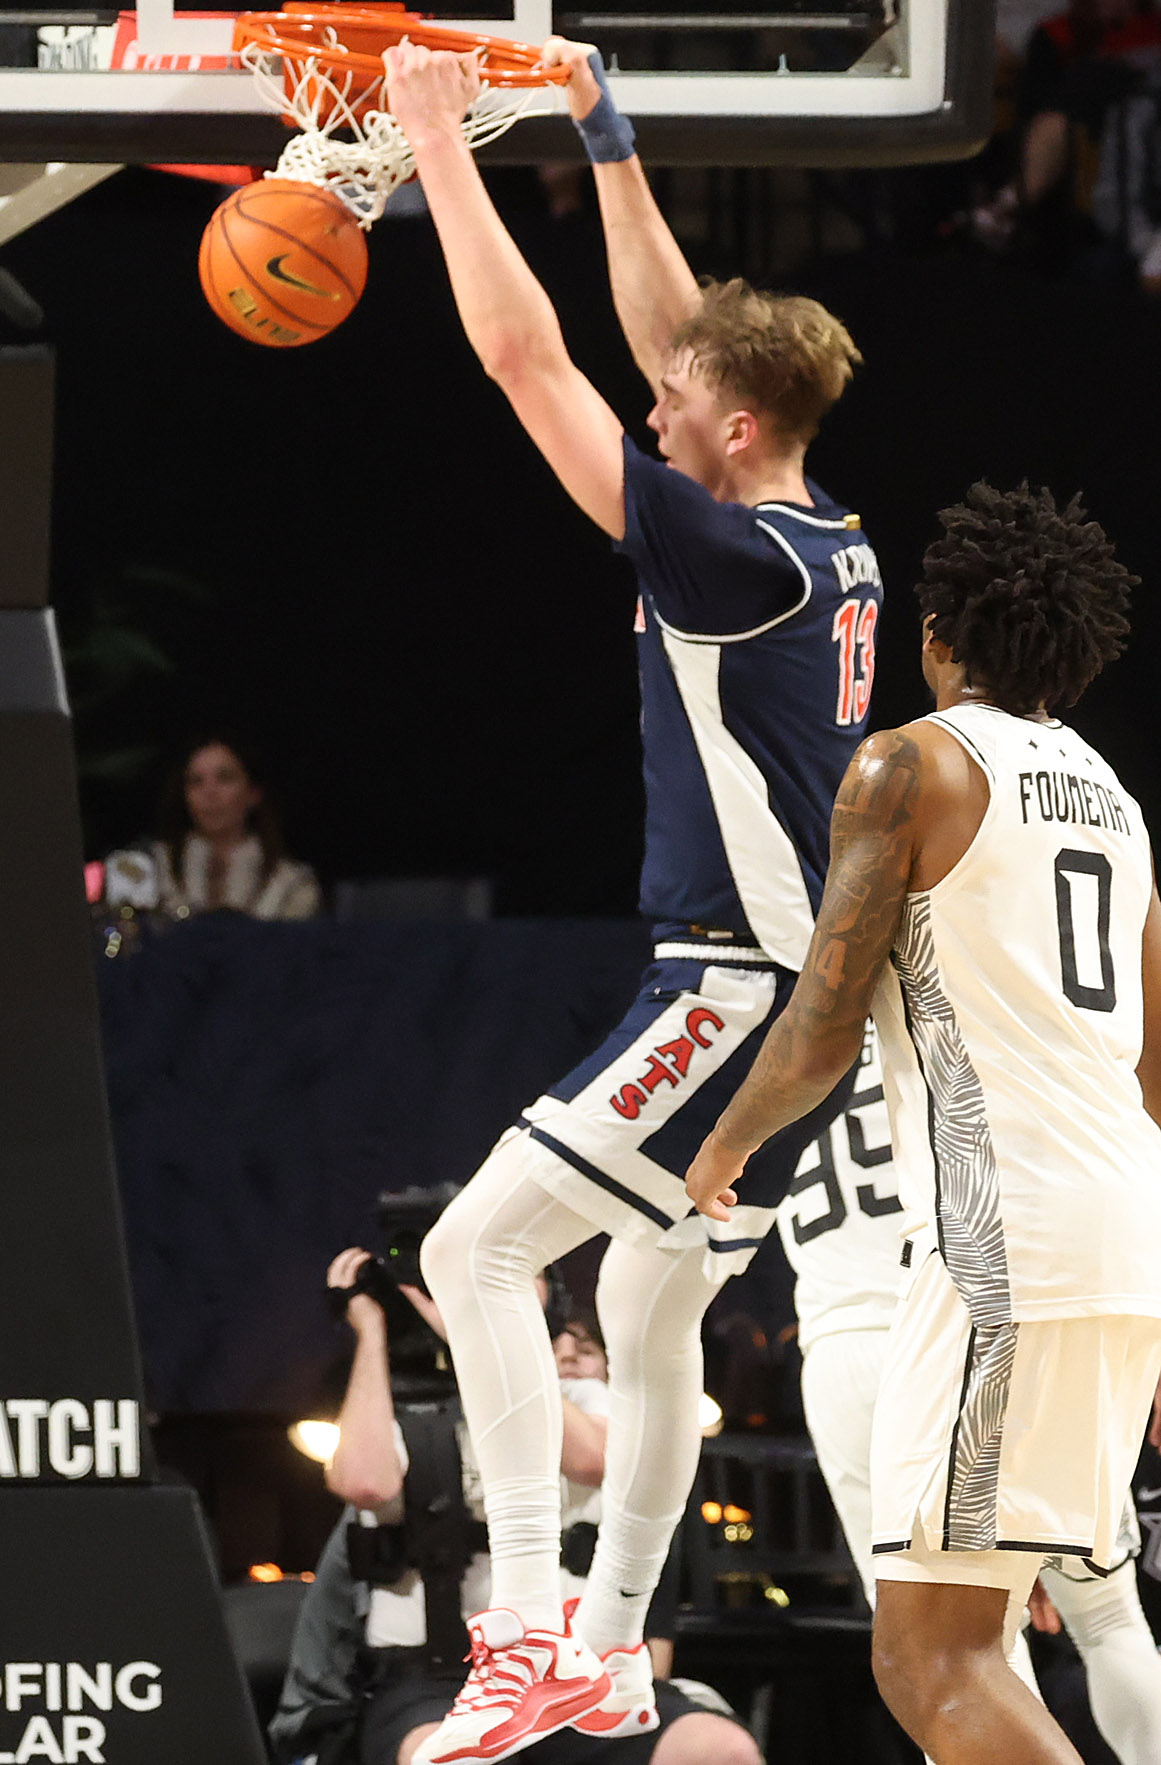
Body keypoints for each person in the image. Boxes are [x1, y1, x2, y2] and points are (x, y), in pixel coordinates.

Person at [381, 31, 878, 1764]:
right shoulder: (824, 529)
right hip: (807, 1006)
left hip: (734, 987)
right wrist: (607, 137)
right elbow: (678, 341)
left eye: (675, 406)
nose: (650, 402)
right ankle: (609, 1646)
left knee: (474, 1248)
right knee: (655, 1312)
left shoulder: (727, 560)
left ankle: (520, 1633)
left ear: (730, 435)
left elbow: (528, 359)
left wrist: (438, 141)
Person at [687, 479, 1161, 1764]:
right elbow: (1156, 1074)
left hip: (1007, 1249)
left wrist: (723, 1146)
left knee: (932, 1657)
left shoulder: (911, 763)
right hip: (1124, 1242)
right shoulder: (1117, 802)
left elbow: (824, 1020)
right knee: (1007, 1626)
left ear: (937, 625)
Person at [778, 1021, 1161, 1764]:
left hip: (849, 1347)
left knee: (939, 1647)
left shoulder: (783, 1039)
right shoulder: (949, 995)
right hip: (979, 1313)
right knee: (1106, 1620)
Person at [269, 1248, 759, 1765]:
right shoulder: (405, 1408)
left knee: (719, 1749)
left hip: (575, 1673)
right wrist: (371, 1331)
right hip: (436, 1680)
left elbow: (593, 1459)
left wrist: (476, 1338)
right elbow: (363, 1483)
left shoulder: (582, 1395)